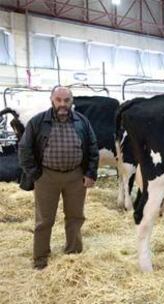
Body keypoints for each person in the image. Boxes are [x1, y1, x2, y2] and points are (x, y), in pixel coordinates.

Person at [18, 86, 99, 270]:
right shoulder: (38, 122)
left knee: (75, 217)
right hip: (47, 176)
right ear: (52, 100)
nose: (62, 104)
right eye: (58, 100)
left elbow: (93, 148)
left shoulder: (82, 122)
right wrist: (35, 174)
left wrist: (90, 173)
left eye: (66, 100)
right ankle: (40, 257)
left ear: (72, 101)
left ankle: (73, 252)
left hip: (75, 177)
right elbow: (24, 149)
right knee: (44, 220)